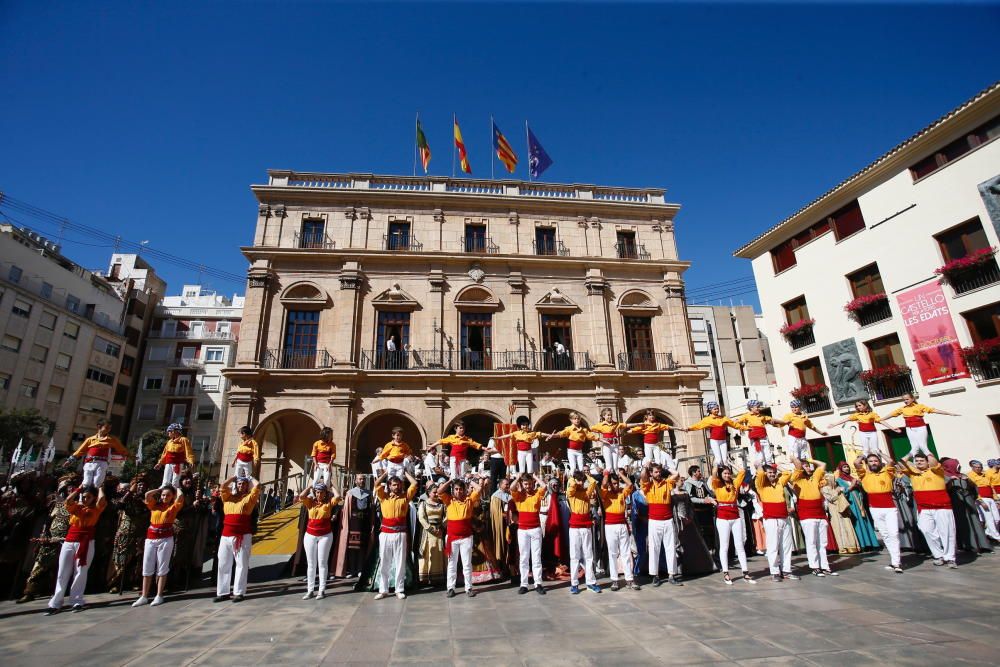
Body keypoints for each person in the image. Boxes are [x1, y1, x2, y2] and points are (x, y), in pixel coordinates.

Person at [46, 483, 107, 614]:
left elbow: (102, 500)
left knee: (80, 571)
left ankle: (77, 600)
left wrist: (100, 488)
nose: (85, 499)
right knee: (63, 571)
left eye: (89, 497)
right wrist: (79, 489)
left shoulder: (96, 509)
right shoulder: (76, 507)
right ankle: (56, 602)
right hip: (70, 541)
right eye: (84, 497)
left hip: (85, 541)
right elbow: (68, 500)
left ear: (94, 498)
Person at [900, 452, 956, 568]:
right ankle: (938, 554)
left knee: (947, 532)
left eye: (922, 460)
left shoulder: (936, 471)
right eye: (917, 461)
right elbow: (900, 463)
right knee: (926, 530)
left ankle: (950, 558)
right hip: (924, 508)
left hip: (942, 507)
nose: (919, 462)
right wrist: (910, 453)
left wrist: (926, 450)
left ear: (927, 462)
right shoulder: (913, 474)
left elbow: (934, 462)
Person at [132, 484, 185, 607]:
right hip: (151, 538)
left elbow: (181, 496)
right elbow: (147, 495)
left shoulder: (173, 507)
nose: (165, 497)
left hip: (165, 538)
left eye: (168, 495)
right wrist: (160, 489)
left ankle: (159, 595)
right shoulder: (154, 505)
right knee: (147, 567)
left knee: (162, 567)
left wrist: (175, 486)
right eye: (163, 495)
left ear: (172, 497)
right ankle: (144, 596)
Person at [215, 474, 261, 602]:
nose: (241, 486)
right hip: (226, 535)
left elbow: (257, 486)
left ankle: (239, 592)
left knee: (241, 564)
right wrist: (233, 477)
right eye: (239, 484)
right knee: (223, 564)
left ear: (247, 486)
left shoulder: (249, 499)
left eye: (244, 484)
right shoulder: (228, 497)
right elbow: (223, 486)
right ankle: (223, 592)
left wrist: (250, 477)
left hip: (242, 535)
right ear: (236, 485)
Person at [854, 453, 903, 573]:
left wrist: (880, 453)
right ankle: (894, 560)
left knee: (894, 533)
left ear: (880, 462)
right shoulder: (864, 474)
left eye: (876, 461)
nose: (873, 463)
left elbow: (891, 461)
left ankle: (896, 562)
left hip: (889, 507)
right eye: (870, 461)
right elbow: (856, 463)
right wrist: (862, 455)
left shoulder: (887, 472)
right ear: (867, 463)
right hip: (875, 508)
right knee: (885, 534)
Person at [373, 469, 417, 600]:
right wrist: (386, 473)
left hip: (400, 533)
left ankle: (399, 589)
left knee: (400, 562)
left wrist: (405, 473)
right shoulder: (383, 496)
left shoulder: (405, 497)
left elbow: (414, 484)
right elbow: (376, 484)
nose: (396, 487)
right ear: (389, 486)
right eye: (393, 484)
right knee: (384, 562)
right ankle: (383, 589)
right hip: (386, 533)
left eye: (398, 484)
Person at [439, 476, 485, 597]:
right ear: (453, 490)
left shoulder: (469, 500)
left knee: (466, 564)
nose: (458, 491)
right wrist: (450, 480)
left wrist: (469, 481)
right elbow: (439, 491)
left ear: (464, 490)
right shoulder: (449, 500)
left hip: (466, 537)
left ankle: (468, 587)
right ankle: (450, 588)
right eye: (456, 489)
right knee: (452, 564)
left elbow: (479, 489)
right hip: (452, 538)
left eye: (461, 489)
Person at [791, 456, 837, 577]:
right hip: (807, 514)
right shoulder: (797, 479)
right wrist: (798, 462)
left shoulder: (815, 477)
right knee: (811, 541)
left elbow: (823, 464)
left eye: (808, 466)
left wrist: (810, 460)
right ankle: (815, 567)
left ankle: (825, 566)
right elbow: (797, 467)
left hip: (819, 513)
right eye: (805, 466)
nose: (807, 467)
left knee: (823, 543)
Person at [711, 463, 754, 585]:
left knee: (740, 545)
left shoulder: (734, 483)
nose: (727, 475)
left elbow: (742, 471)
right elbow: (714, 474)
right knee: (724, 546)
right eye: (725, 473)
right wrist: (716, 464)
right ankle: (726, 573)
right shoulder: (717, 484)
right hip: (723, 517)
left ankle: (745, 572)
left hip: (735, 516)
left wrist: (730, 463)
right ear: (721, 475)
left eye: (728, 473)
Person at [640, 462, 682, 586]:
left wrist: (665, 468)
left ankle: (671, 575)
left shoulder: (667, 483)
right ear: (651, 473)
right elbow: (643, 476)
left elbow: (676, 474)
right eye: (656, 472)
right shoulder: (648, 485)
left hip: (668, 519)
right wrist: (645, 468)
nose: (658, 474)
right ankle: (655, 575)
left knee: (670, 547)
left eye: (659, 472)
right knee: (654, 548)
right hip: (654, 520)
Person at [754, 462, 797, 582]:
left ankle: (787, 570)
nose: (772, 475)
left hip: (783, 517)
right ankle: (775, 572)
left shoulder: (779, 483)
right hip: (771, 519)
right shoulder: (761, 485)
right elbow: (760, 474)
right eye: (770, 473)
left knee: (786, 546)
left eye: (773, 473)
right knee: (773, 546)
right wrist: (760, 465)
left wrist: (776, 466)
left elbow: (788, 473)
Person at [299, 481, 341, 599]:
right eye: (317, 492)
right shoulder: (310, 503)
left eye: (321, 492)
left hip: (325, 535)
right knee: (311, 564)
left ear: (325, 493)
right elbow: (301, 496)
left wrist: (331, 486)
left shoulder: (328, 503)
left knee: (322, 563)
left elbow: (338, 497)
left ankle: (321, 589)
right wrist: (309, 487)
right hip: (310, 535)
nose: (319, 494)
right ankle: (310, 590)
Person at [882, 393, 959, 458]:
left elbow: (933, 410)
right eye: (904, 400)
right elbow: (892, 414)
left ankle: (934, 463)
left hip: (920, 427)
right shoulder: (902, 408)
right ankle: (917, 466)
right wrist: (881, 419)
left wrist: (949, 413)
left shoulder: (919, 406)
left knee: (923, 447)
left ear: (912, 398)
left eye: (907, 399)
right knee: (914, 448)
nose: (905, 401)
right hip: (909, 429)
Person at [600, 468, 638, 591]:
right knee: (613, 553)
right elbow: (604, 484)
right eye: (613, 483)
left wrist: (621, 474)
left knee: (626, 552)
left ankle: (629, 579)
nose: (616, 485)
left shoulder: (622, 492)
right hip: (610, 526)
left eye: (617, 483)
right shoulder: (605, 493)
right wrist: (606, 474)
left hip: (622, 524)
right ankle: (614, 580)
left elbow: (630, 484)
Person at [511, 471, 547, 594]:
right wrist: (518, 478)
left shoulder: (537, 493)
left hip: (535, 529)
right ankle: (524, 584)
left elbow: (544, 487)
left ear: (533, 483)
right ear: (522, 484)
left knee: (536, 557)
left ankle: (538, 583)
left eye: (530, 484)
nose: (528, 486)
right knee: (524, 557)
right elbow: (511, 487)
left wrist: (535, 476)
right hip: (522, 530)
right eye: (526, 484)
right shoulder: (518, 495)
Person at [66, 419, 130, 488]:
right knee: (86, 483)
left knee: (97, 483)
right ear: (99, 427)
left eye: (110, 428)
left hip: (101, 463)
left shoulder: (112, 439)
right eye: (107, 427)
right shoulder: (90, 439)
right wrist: (69, 460)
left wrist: (131, 456)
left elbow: (121, 449)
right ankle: (83, 497)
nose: (109, 429)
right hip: (89, 462)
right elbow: (80, 451)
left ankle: (95, 496)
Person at [565, 470, 600, 594]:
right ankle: (574, 583)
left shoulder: (586, 492)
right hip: (574, 527)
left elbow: (594, 482)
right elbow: (570, 489)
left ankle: (590, 582)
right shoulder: (571, 492)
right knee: (574, 556)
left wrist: (586, 476)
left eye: (582, 481)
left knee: (588, 555)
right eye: (579, 481)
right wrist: (574, 480)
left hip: (586, 526)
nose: (581, 483)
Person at [828, 400, 900, 457]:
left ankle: (878, 463)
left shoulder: (872, 414)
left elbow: (881, 421)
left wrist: (892, 428)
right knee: (865, 450)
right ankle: (868, 465)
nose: (858, 407)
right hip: (863, 433)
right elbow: (846, 419)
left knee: (875, 449)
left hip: (872, 433)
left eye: (860, 405)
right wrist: (834, 424)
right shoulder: (857, 415)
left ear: (865, 405)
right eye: (857, 406)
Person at [835, 462, 880, 550]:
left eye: (847, 466)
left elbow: (862, 490)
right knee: (857, 522)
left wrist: (859, 486)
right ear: (841, 469)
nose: (847, 468)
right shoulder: (839, 480)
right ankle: (862, 544)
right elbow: (841, 493)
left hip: (859, 501)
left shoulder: (852, 478)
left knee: (864, 520)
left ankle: (871, 543)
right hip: (851, 503)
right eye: (844, 467)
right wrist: (852, 486)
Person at [684, 402, 746, 467]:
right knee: (719, 460)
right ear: (710, 410)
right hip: (715, 441)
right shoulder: (707, 420)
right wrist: (689, 428)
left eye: (717, 408)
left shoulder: (723, 418)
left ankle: (725, 474)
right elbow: (698, 425)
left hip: (723, 441)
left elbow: (734, 424)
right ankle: (715, 471)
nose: (717, 410)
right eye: (715, 409)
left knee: (725, 460)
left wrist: (745, 428)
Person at [336, 475, 372, 578]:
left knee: (362, 548)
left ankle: (360, 569)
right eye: (360, 479)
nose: (362, 481)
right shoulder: (350, 493)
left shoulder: (369, 494)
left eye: (363, 479)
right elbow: (347, 509)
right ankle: (352, 570)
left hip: (364, 524)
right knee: (352, 548)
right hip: (353, 523)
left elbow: (371, 509)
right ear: (356, 481)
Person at [416, 483, 445, 586]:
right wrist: (430, 529)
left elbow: (446, 517)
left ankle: (437, 578)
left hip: (439, 532)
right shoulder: (423, 504)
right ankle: (425, 578)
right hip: (428, 533)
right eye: (434, 492)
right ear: (428, 493)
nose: (436, 494)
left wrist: (441, 527)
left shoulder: (442, 504)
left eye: (437, 492)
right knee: (427, 554)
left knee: (438, 554)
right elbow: (421, 518)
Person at [590, 409, 631, 473]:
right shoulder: (601, 425)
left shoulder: (615, 424)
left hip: (615, 445)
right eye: (608, 415)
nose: (610, 416)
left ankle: (617, 480)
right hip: (607, 446)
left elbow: (626, 425)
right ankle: (608, 481)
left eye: (611, 415)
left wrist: (639, 424)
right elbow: (590, 429)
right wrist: (600, 438)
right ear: (604, 416)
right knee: (609, 467)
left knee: (615, 467)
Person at [968, 459, 1000, 542]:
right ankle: (997, 536)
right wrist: (980, 501)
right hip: (982, 498)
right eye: (977, 467)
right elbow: (974, 489)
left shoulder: (985, 475)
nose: (979, 468)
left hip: (990, 497)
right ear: (972, 467)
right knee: (989, 518)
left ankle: (988, 533)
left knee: (997, 518)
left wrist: (996, 499)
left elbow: (991, 486)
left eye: (980, 467)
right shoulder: (970, 476)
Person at [156, 424, 194, 488]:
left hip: (177, 464)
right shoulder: (169, 442)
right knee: (165, 482)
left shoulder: (183, 440)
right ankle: (163, 492)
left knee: (175, 482)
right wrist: (159, 463)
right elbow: (165, 454)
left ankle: (176, 494)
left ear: (174, 431)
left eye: (169, 431)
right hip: (168, 463)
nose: (168, 433)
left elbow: (188, 451)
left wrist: (191, 461)